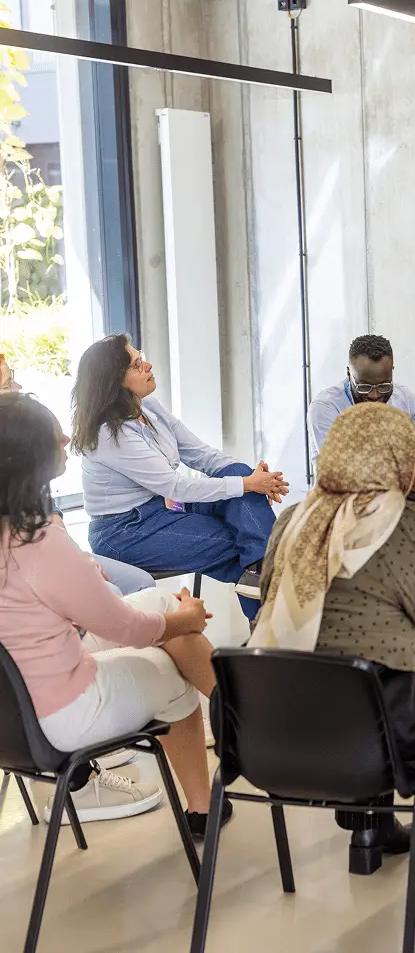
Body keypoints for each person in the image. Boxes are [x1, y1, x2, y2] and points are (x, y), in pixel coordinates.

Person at [250, 402, 415, 882]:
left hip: (267, 727)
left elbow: (267, 607)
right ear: (400, 458)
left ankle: (369, 829)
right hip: (381, 737)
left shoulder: (291, 520)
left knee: (349, 680)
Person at [0, 392, 229, 835]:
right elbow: (125, 627)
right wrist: (190, 619)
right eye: (55, 433)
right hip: (62, 713)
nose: (67, 436)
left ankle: (241, 721)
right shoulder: (37, 539)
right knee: (172, 662)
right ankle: (218, 780)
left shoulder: (22, 534)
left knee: (161, 605)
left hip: (12, 713)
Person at [72, 335, 288, 623]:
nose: (147, 365)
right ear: (115, 380)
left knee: (238, 482)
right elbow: (176, 485)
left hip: (167, 507)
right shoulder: (110, 434)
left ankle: (265, 594)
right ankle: (273, 624)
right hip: (126, 531)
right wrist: (249, 485)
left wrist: (250, 476)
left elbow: (199, 454)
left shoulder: (146, 406)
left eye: (142, 356)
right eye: (137, 365)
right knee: (244, 545)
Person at [1, 350, 155, 596]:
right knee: (113, 595)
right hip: (25, 570)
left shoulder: (24, 447)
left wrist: (76, 560)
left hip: (52, 552)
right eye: (9, 384)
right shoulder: (15, 454)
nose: (18, 387)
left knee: (140, 584)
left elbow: (51, 522)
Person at [308, 334, 415, 523]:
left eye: (383, 386)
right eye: (365, 387)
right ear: (349, 374)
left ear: (392, 371)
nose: (375, 395)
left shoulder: (404, 398)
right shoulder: (326, 407)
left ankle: (401, 515)